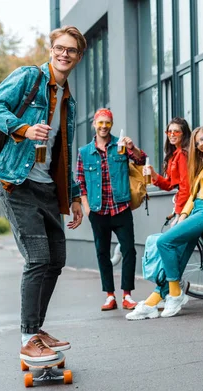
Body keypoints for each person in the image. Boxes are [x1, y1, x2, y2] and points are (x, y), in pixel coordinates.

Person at [0, 26, 86, 362]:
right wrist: (24, 129)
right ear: (51, 49)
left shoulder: (68, 97)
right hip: (16, 180)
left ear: (79, 56)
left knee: (56, 259)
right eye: (59, 48)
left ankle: (37, 330)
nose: (64, 54)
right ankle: (28, 335)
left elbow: (64, 150)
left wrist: (71, 195)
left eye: (71, 50)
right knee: (38, 258)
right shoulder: (29, 77)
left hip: (47, 186)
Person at [126, 125, 203, 320]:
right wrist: (183, 215)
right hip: (197, 210)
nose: (202, 145)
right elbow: (193, 195)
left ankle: (175, 293)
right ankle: (152, 301)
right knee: (178, 255)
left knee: (165, 242)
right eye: (198, 143)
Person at [77, 108, 147, 311]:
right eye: (101, 123)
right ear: (94, 124)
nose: (104, 126)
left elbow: (141, 161)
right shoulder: (84, 152)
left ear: (111, 124)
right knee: (102, 252)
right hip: (98, 211)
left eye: (107, 122)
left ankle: (127, 295)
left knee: (129, 251)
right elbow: (80, 182)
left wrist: (132, 147)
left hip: (121, 207)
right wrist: (87, 208)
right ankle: (109, 296)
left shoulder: (121, 146)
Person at [144, 117, 192, 226]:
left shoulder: (183, 154)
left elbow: (186, 186)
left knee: (173, 238)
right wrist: (153, 174)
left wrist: (179, 213)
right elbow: (169, 184)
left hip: (188, 203)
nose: (172, 134)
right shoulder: (174, 155)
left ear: (184, 134)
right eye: (169, 131)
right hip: (183, 202)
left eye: (176, 131)